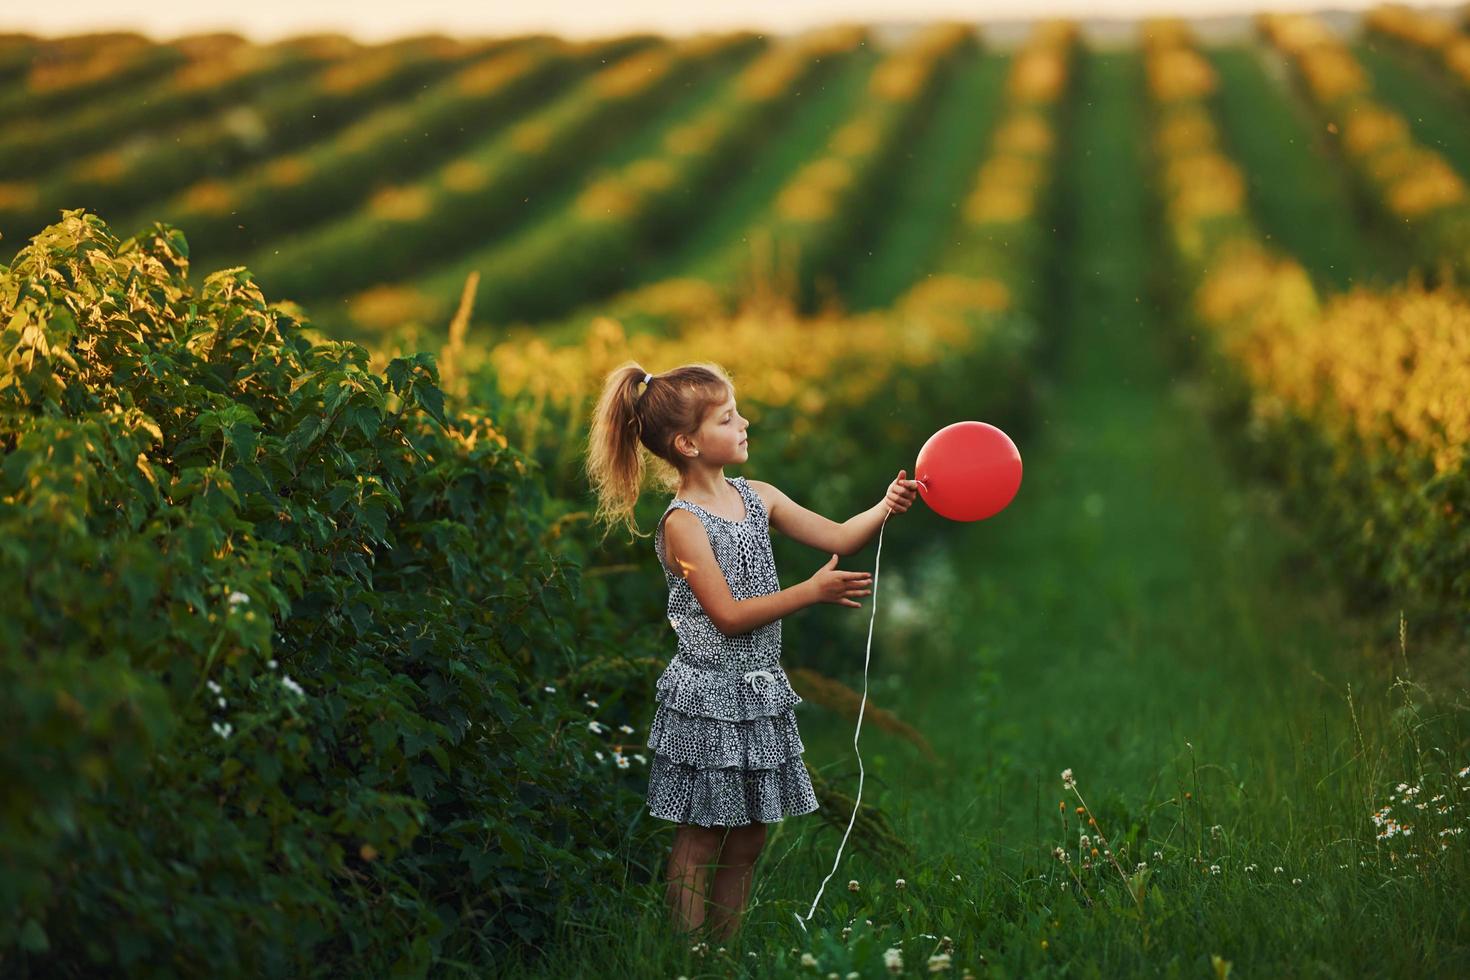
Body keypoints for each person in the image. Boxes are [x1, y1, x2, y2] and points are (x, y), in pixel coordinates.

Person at [585, 360, 920, 942]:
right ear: (688, 443)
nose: (745, 423)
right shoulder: (683, 525)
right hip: (708, 695)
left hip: (758, 690)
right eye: (728, 417)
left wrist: (886, 504)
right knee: (700, 834)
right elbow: (728, 616)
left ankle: (725, 950)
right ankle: (687, 959)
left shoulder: (757, 496)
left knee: (750, 833)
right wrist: (810, 592)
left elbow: (839, 535)